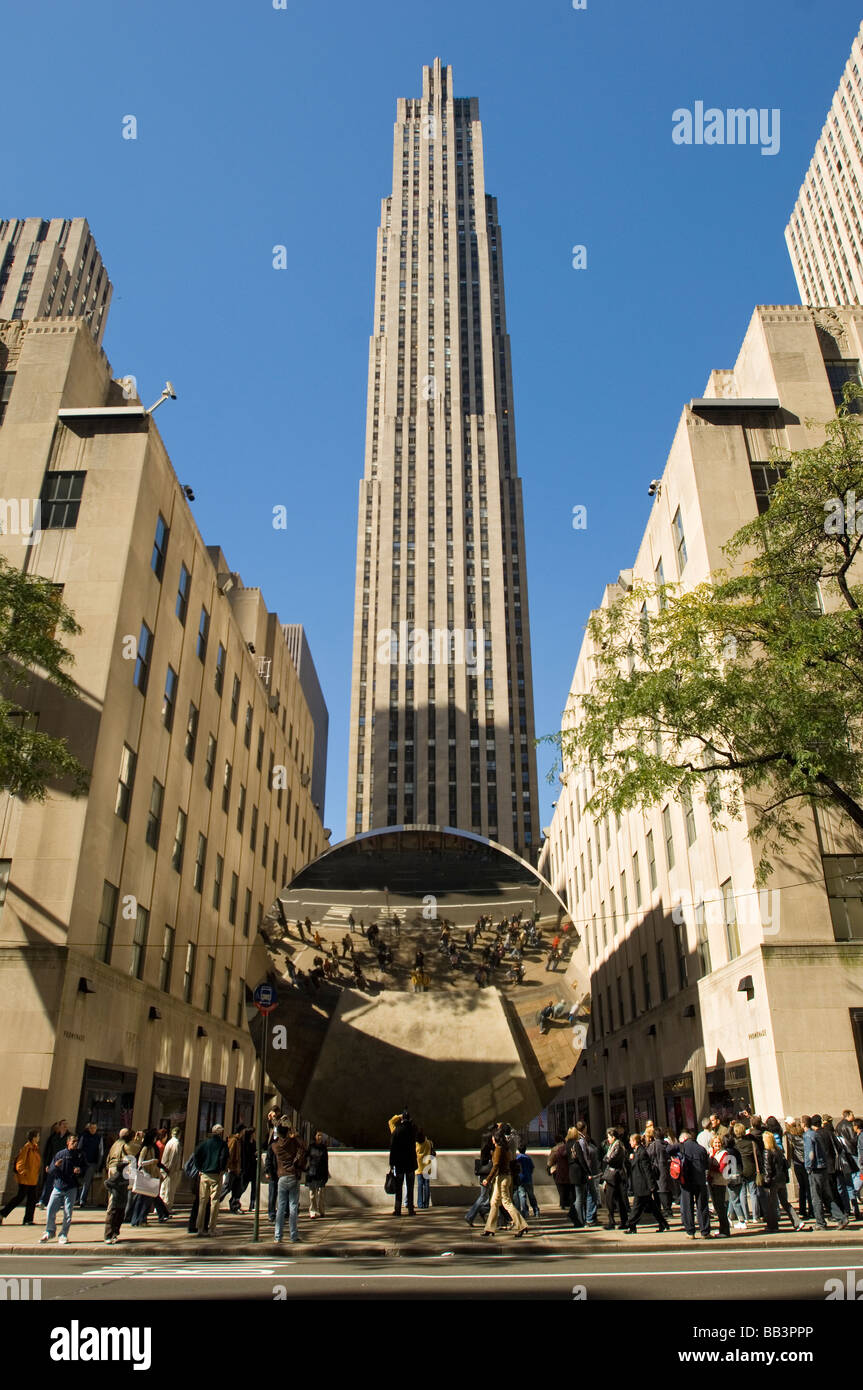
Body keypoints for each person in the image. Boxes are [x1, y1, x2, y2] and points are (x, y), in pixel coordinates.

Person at [804, 1115, 850, 1231]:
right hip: (825, 1167)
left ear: (804, 1124)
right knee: (828, 1195)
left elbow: (810, 1153)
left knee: (817, 1197)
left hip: (816, 1169)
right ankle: (841, 1217)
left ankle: (820, 1222)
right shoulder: (822, 1133)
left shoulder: (809, 1135)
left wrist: (808, 1167)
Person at [40, 1132, 84, 1244]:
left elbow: (84, 1168)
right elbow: (50, 1171)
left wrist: (79, 1171)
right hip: (59, 1186)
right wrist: (55, 1166)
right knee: (50, 1209)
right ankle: (49, 1231)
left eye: (76, 1142)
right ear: (68, 1142)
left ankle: (63, 1234)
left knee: (68, 1212)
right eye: (73, 1142)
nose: (75, 1144)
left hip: (71, 1187)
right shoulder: (60, 1154)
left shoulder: (79, 1155)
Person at [482, 1132, 528, 1237]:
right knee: (494, 1202)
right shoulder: (505, 1149)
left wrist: (488, 1179)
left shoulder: (499, 1149)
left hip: (501, 1178)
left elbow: (496, 1165)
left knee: (506, 1203)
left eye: (493, 1138)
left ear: (496, 1139)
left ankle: (522, 1225)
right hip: (505, 1177)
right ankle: (489, 1228)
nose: (492, 1139)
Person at [269, 1121, 308, 1243]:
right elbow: (303, 1146)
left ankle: (278, 1236)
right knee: (293, 1207)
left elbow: (270, 1143)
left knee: (280, 1207)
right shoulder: (292, 1142)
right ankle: (293, 1235)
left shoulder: (275, 1146)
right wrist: (295, 1135)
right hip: (293, 1175)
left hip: (282, 1177)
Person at [762, 1130, 808, 1232]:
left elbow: (767, 1169)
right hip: (781, 1179)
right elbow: (785, 1165)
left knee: (771, 1204)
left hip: (773, 1181)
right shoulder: (778, 1150)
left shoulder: (767, 1152)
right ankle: (797, 1222)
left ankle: (773, 1226)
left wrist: (765, 1182)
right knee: (785, 1202)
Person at [671, 1129, 711, 1239]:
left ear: (683, 1139)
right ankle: (705, 1231)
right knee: (702, 1206)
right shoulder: (701, 1149)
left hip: (686, 1181)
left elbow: (668, 1149)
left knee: (688, 1207)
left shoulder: (681, 1146)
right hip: (700, 1180)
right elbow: (706, 1165)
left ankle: (690, 1231)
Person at [626, 1133, 669, 1234]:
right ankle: (663, 1223)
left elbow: (647, 1170)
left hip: (642, 1185)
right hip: (640, 1184)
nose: (630, 1143)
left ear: (635, 1141)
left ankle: (631, 1225)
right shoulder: (637, 1152)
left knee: (637, 1207)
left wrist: (651, 1185)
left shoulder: (642, 1153)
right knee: (653, 1207)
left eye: (631, 1141)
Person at [193, 1124, 230, 1236]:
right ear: (220, 1133)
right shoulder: (222, 1144)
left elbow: (196, 1155)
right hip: (216, 1174)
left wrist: (199, 1168)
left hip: (204, 1174)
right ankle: (211, 1228)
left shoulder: (205, 1143)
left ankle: (199, 1227)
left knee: (202, 1201)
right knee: (214, 1202)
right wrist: (222, 1169)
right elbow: (224, 1157)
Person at [128, 1129, 170, 1226]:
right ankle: (139, 1219)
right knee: (143, 1200)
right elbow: (140, 1163)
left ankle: (138, 1219)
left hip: (150, 1175)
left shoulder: (151, 1147)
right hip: (146, 1175)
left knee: (143, 1199)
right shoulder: (146, 1148)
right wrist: (152, 1161)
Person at [0, 1129, 41, 1226]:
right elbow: (20, 1163)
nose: (39, 1138)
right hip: (25, 1179)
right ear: (34, 1137)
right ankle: (2, 1213)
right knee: (20, 1197)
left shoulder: (35, 1148)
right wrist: (24, 1173)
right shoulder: (27, 1148)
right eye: (38, 1136)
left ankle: (28, 1219)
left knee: (31, 1199)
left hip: (32, 1179)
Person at [103, 1129, 134, 1245]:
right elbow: (132, 1154)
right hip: (119, 1172)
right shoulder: (125, 1145)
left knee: (117, 1205)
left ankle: (113, 1232)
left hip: (115, 1170)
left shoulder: (115, 1144)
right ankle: (110, 1233)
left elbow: (108, 1160)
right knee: (115, 1206)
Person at [388, 1111, 419, 1216]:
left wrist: (391, 1163)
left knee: (399, 1187)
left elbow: (393, 1148)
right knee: (410, 1187)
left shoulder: (396, 1131)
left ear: (402, 1119)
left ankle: (397, 1209)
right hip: (410, 1163)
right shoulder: (412, 1130)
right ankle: (410, 1209)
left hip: (400, 1163)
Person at [600, 1127, 629, 1230]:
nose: (608, 1139)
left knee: (612, 1199)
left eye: (609, 1137)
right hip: (614, 1174)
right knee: (616, 1199)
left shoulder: (618, 1145)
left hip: (616, 1175)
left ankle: (615, 1221)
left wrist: (606, 1158)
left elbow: (609, 1159)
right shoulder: (614, 1145)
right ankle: (620, 1221)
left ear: (613, 1136)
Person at [720, 1133, 748, 1229]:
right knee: (733, 1198)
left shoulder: (726, 1153)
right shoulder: (737, 1151)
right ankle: (729, 1216)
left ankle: (741, 1220)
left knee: (735, 1200)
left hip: (731, 1177)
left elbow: (725, 1167)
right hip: (739, 1175)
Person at [706, 1132, 731, 1237]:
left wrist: (710, 1166)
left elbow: (721, 1168)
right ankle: (722, 1229)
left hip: (720, 1182)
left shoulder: (724, 1153)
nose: (717, 1144)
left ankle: (725, 1230)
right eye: (715, 1143)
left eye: (719, 1142)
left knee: (721, 1207)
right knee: (717, 1207)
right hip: (712, 1182)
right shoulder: (711, 1153)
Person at [785, 1120, 811, 1221]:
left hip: (797, 1164)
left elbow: (790, 1152)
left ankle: (802, 1209)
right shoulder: (805, 1138)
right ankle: (811, 1210)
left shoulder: (792, 1138)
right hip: (805, 1163)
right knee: (808, 1187)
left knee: (802, 1187)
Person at [38, 1120, 68, 1207]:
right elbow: (48, 1151)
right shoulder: (53, 1137)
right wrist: (47, 1164)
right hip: (53, 1161)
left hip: (64, 1162)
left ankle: (59, 1202)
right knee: (49, 1181)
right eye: (63, 1125)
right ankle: (43, 1200)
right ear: (59, 1126)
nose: (65, 1126)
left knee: (62, 1183)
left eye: (66, 1125)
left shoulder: (70, 1137)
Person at [565, 1125, 590, 1228]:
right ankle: (578, 1219)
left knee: (577, 1196)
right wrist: (587, 1171)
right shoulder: (576, 1144)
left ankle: (573, 1214)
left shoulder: (567, 1145)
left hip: (571, 1171)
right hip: (579, 1171)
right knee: (580, 1197)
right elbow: (581, 1159)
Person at [77, 1122, 104, 1208]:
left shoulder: (99, 1138)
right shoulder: (83, 1136)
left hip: (92, 1163)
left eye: (94, 1128)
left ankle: (82, 1200)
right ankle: (77, 1198)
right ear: (89, 1128)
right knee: (79, 1180)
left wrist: (98, 1165)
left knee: (87, 1182)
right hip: (82, 1162)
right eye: (91, 1128)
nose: (93, 1130)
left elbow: (101, 1152)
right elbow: (79, 1148)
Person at [306, 1131, 329, 1217]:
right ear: (315, 1136)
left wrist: (326, 1173)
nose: (320, 1137)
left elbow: (326, 1161)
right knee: (312, 1194)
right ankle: (313, 1210)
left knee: (321, 1193)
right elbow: (306, 1158)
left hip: (321, 1173)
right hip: (312, 1173)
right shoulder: (311, 1147)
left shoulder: (324, 1148)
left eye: (321, 1136)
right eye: (318, 1135)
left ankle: (321, 1210)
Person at [159, 1127, 182, 1214]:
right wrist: (170, 1169)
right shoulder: (176, 1144)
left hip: (165, 1168)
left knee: (164, 1189)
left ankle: (161, 1208)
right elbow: (173, 1158)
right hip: (170, 1170)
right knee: (169, 1190)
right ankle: (167, 1208)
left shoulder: (169, 1142)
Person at [514, 1144, 540, 1219]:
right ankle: (536, 1210)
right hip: (528, 1178)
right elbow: (532, 1167)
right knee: (531, 1195)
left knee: (522, 1196)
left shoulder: (517, 1158)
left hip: (520, 1179)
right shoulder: (528, 1158)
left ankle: (525, 1212)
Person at [547, 1133, 572, 1211]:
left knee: (560, 1187)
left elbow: (550, 1161)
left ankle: (562, 1203)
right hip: (568, 1169)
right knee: (568, 1186)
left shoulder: (555, 1149)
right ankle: (567, 1201)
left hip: (557, 1169)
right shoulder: (567, 1147)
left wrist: (548, 1167)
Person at [225, 1125, 246, 1212]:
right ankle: (213, 1202)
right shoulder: (234, 1141)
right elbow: (229, 1154)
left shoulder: (239, 1141)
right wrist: (228, 1166)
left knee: (237, 1189)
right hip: (233, 1168)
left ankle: (235, 1206)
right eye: (243, 1131)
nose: (244, 1133)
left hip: (237, 1168)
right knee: (227, 1187)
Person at [415, 1128, 434, 1210]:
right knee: (427, 1185)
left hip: (419, 1167)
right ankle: (426, 1203)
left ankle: (420, 1203)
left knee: (420, 1186)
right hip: (428, 1167)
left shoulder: (416, 1144)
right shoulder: (429, 1142)